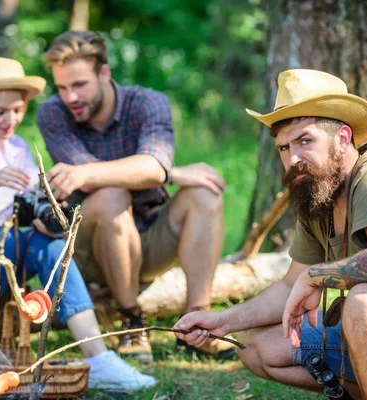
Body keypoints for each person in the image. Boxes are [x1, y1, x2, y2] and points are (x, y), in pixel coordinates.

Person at [174, 68, 367, 399]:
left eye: (305, 141)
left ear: (343, 138)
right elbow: (291, 285)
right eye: (283, 148)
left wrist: (316, 275)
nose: (293, 159)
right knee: (254, 345)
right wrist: (223, 321)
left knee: (365, 304)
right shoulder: (318, 192)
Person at [0, 57, 155, 391]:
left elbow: (28, 211)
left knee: (47, 243)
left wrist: (46, 217)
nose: (10, 120)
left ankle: (97, 356)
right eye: (0, 112)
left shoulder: (18, 150)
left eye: (18, 110)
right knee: (4, 237)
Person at [36, 30, 235, 364]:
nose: (70, 97)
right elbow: (91, 179)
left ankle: (198, 322)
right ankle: (131, 322)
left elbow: (149, 166)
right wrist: (164, 172)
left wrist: (161, 171)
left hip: (148, 233)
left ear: (104, 74)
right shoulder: (52, 114)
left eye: (79, 85)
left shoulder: (147, 102)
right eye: (62, 88)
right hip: (89, 247)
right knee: (109, 192)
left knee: (204, 192)